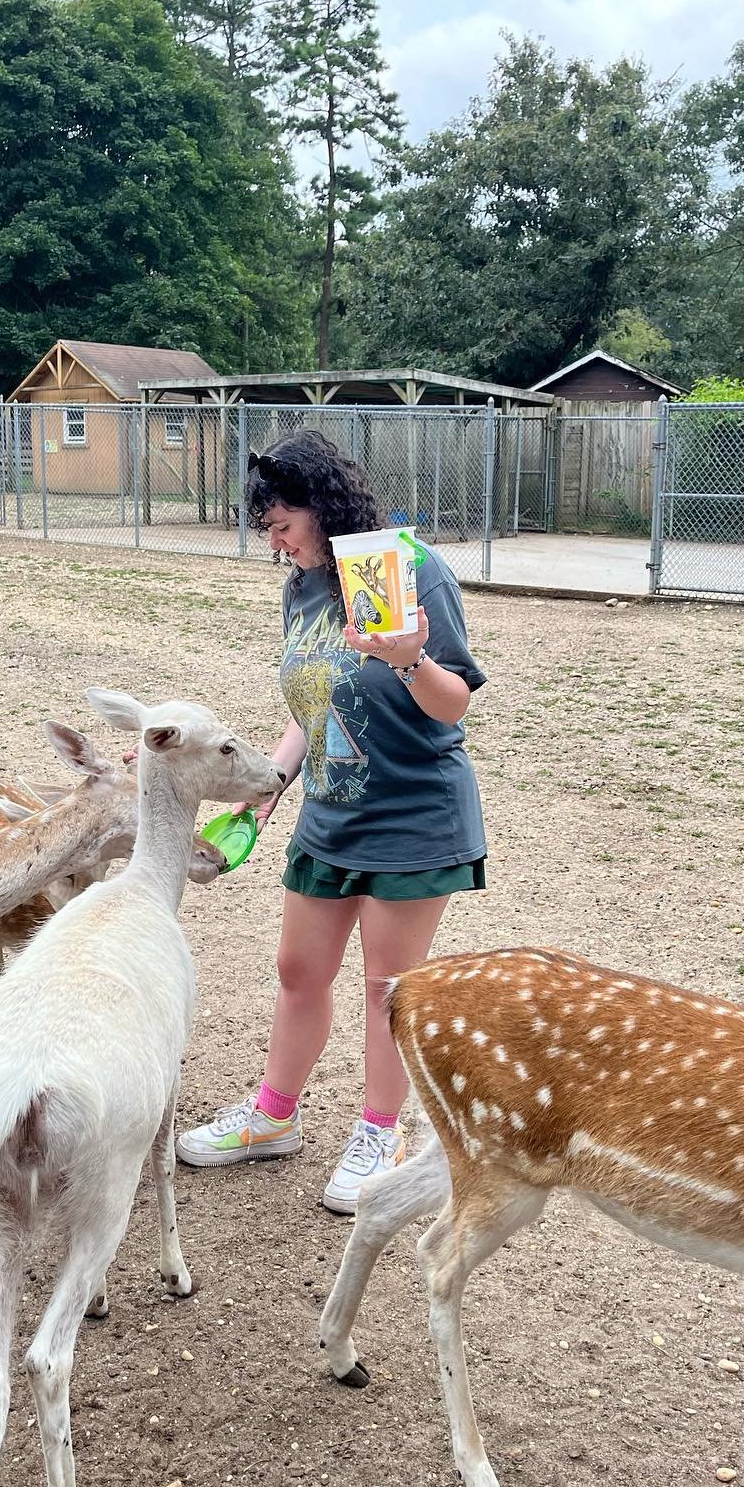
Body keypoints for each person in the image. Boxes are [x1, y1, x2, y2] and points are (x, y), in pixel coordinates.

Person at [176, 429, 487, 1213]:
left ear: (323, 508)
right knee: (298, 972)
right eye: (268, 529)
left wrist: (409, 657)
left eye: (283, 525)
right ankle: (273, 1118)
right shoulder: (303, 589)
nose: (276, 543)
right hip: (332, 811)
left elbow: (454, 705)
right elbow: (310, 704)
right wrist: (275, 778)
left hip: (413, 813)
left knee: (388, 988)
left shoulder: (410, 572)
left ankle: (380, 1133)